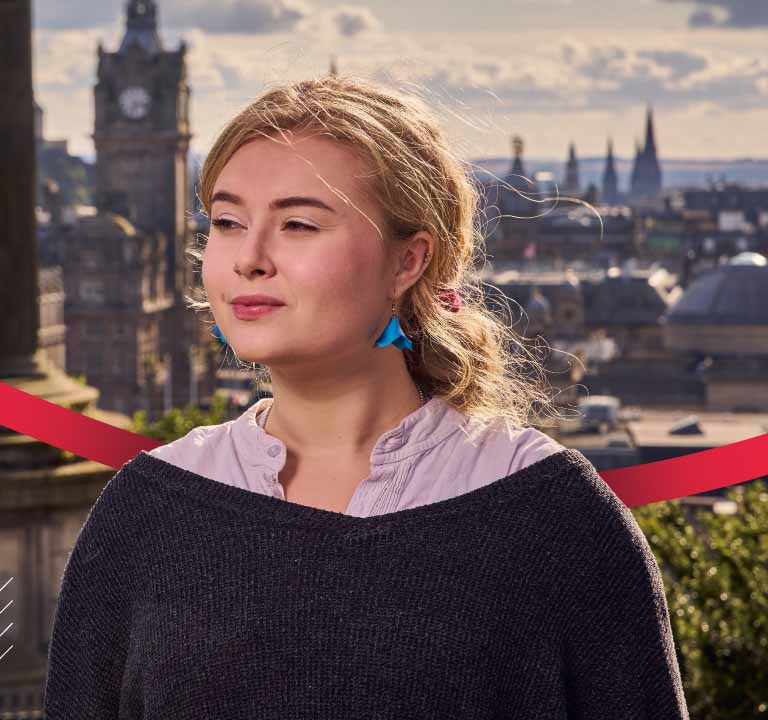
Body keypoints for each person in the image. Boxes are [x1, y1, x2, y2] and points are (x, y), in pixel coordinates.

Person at [43, 74, 689, 719]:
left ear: (408, 263)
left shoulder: (554, 516)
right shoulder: (147, 509)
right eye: (227, 222)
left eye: (298, 224)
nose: (249, 258)